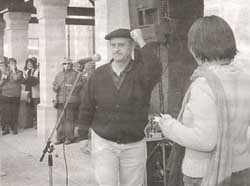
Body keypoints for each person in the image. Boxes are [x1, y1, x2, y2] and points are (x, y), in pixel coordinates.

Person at [158, 15, 250, 186]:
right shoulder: (245, 78)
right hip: (241, 171)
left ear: (195, 47)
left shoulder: (204, 84)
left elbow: (205, 141)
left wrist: (169, 126)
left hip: (206, 175)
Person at [77, 28, 162, 186]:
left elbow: (156, 69)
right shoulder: (98, 74)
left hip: (134, 143)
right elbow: (86, 106)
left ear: (131, 47)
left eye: (121, 45)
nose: (116, 49)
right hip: (104, 142)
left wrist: (142, 41)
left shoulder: (142, 72)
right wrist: (82, 136)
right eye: (113, 45)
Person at [53, 57, 83, 145]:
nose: (66, 65)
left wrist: (74, 87)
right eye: (64, 64)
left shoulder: (76, 74)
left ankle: (69, 137)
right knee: (60, 119)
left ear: (71, 64)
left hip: (71, 100)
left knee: (69, 119)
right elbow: (54, 85)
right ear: (62, 65)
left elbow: (80, 85)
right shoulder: (59, 75)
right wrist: (55, 88)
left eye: (68, 63)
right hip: (60, 100)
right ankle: (59, 137)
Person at [1, 58, 23, 135]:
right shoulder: (6, 72)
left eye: (13, 63)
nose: (11, 65)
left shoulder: (19, 72)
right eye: (10, 63)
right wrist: (4, 76)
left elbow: (16, 78)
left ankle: (14, 128)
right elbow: (1, 83)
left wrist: (13, 71)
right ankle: (6, 129)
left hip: (15, 95)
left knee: (14, 112)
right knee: (6, 113)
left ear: (15, 64)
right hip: (5, 94)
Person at [23, 58, 40, 128]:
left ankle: (38, 124)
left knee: (36, 108)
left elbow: (36, 81)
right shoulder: (25, 71)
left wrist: (28, 79)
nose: (29, 65)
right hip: (28, 91)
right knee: (28, 108)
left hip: (35, 91)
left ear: (33, 64)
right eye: (28, 64)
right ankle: (29, 124)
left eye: (30, 63)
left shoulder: (37, 71)